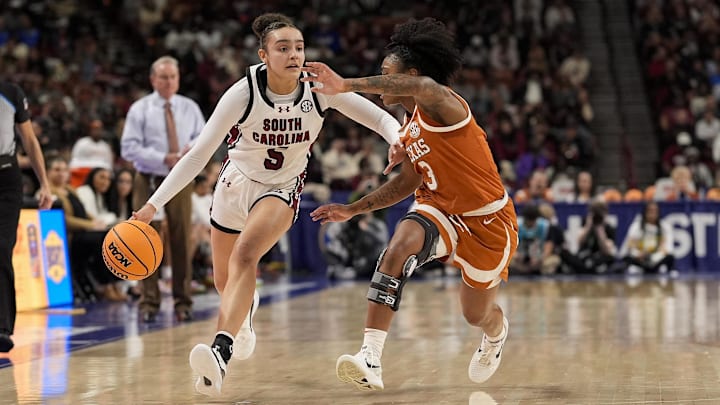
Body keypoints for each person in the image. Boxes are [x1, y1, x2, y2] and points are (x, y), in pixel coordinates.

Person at [131, 13, 403, 396]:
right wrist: (151, 207)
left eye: (299, 47)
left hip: (281, 188)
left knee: (245, 256)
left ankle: (219, 353)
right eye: (283, 48)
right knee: (225, 280)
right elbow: (197, 157)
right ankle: (244, 315)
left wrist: (395, 137)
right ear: (264, 55)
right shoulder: (243, 93)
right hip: (233, 184)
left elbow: (377, 117)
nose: (294, 55)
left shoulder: (319, 87)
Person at [303, 17, 519, 391]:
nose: (381, 78)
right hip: (438, 207)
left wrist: (346, 84)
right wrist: (353, 209)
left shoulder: (443, 104)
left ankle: (496, 334)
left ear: (411, 73)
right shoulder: (409, 122)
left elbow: (419, 85)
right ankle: (370, 357)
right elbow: (410, 181)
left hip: (487, 223)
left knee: (475, 314)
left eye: (386, 73)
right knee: (399, 246)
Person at [121, 55, 206, 323]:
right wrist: (162, 158)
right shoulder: (140, 109)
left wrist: (186, 153)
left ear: (178, 79)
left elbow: (204, 138)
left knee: (182, 238)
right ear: (153, 79)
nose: (168, 81)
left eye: (173, 77)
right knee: (144, 240)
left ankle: (183, 301)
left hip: (180, 178)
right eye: (163, 77)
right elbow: (129, 147)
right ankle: (149, 302)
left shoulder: (190, 107)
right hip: (148, 177)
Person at [0, 80, 52, 352]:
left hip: (5, 178)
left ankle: (2, 326)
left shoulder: (10, 92)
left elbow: (29, 139)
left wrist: (45, 183)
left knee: (1, 248)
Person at [623, 201, 675, 274]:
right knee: (627, 258)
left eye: (655, 211)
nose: (652, 214)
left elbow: (669, 248)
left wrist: (654, 257)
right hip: (640, 258)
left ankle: (658, 268)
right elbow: (630, 246)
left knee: (670, 258)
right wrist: (638, 254)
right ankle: (639, 268)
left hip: (657, 257)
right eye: (650, 210)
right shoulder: (636, 226)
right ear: (645, 212)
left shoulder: (665, 227)